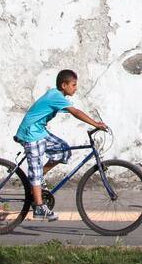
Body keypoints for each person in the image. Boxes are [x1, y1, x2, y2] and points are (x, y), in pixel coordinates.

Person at [14, 69, 107, 220]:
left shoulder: (57, 95)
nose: (75, 88)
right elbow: (76, 112)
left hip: (39, 131)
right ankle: (39, 208)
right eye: (73, 85)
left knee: (63, 150)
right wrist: (96, 123)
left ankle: (37, 181)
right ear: (64, 85)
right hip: (31, 133)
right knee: (35, 170)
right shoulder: (56, 96)